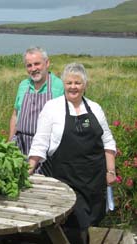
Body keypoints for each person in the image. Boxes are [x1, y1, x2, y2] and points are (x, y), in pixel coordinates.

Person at [28, 63, 117, 244]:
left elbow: (107, 141)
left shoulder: (95, 108)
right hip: (65, 180)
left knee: (90, 223)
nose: (73, 87)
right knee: (70, 226)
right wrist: (27, 171)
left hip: (94, 179)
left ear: (85, 85)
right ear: (64, 84)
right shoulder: (52, 108)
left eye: (77, 83)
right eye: (69, 83)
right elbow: (40, 143)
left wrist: (111, 171)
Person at [9, 46, 64, 155]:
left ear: (47, 63)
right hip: (21, 146)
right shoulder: (23, 85)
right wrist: (10, 142)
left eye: (37, 64)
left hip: (47, 149)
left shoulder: (59, 86)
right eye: (29, 65)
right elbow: (15, 115)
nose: (33, 69)